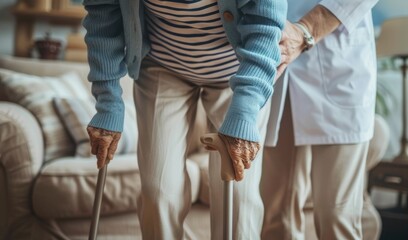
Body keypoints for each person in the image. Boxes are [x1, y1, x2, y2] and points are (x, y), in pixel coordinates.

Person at [82, 0, 287, 239]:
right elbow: (103, 13)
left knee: (237, 195)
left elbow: (265, 25)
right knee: (159, 191)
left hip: (239, 72)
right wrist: (108, 102)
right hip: (163, 65)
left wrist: (245, 110)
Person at [261, 1, 380, 239]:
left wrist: (307, 29)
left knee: (337, 218)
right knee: (276, 218)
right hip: (278, 66)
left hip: (339, 67)